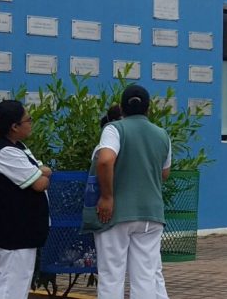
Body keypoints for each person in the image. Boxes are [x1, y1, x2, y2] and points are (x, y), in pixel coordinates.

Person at [85, 85, 171, 298]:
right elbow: (164, 173)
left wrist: (107, 196)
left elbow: (105, 160)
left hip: (116, 214)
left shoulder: (115, 129)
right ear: (148, 109)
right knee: (145, 277)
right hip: (151, 215)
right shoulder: (162, 135)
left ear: (121, 108)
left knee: (111, 276)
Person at [0, 100, 51, 299]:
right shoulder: (4, 151)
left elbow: (44, 170)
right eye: (28, 119)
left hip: (23, 230)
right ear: (14, 126)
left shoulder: (17, 146)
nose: (31, 123)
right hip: (13, 229)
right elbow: (39, 182)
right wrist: (40, 174)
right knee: (11, 283)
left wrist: (39, 173)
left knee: (19, 281)